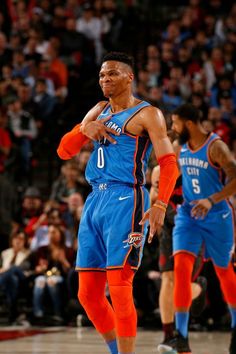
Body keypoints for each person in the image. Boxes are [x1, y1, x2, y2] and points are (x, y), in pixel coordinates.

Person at [57, 51, 179, 354]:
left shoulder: (147, 114)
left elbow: (169, 163)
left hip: (126, 198)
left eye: (111, 73)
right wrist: (84, 129)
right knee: (87, 294)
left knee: (120, 286)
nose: (104, 79)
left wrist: (161, 204)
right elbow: (63, 151)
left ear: (129, 77)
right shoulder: (98, 109)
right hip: (95, 199)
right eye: (101, 75)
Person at [169, 103, 236, 354]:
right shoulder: (179, 147)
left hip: (217, 215)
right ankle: (181, 336)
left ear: (188, 123)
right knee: (181, 269)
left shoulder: (215, 147)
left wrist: (212, 200)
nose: (173, 128)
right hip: (188, 215)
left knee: (224, 273)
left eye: (175, 123)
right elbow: (169, 171)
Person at [150, 165, 207, 354]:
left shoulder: (197, 166)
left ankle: (199, 288)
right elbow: (153, 193)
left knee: (182, 283)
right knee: (167, 279)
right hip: (168, 227)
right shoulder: (159, 170)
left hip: (192, 228)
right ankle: (168, 336)